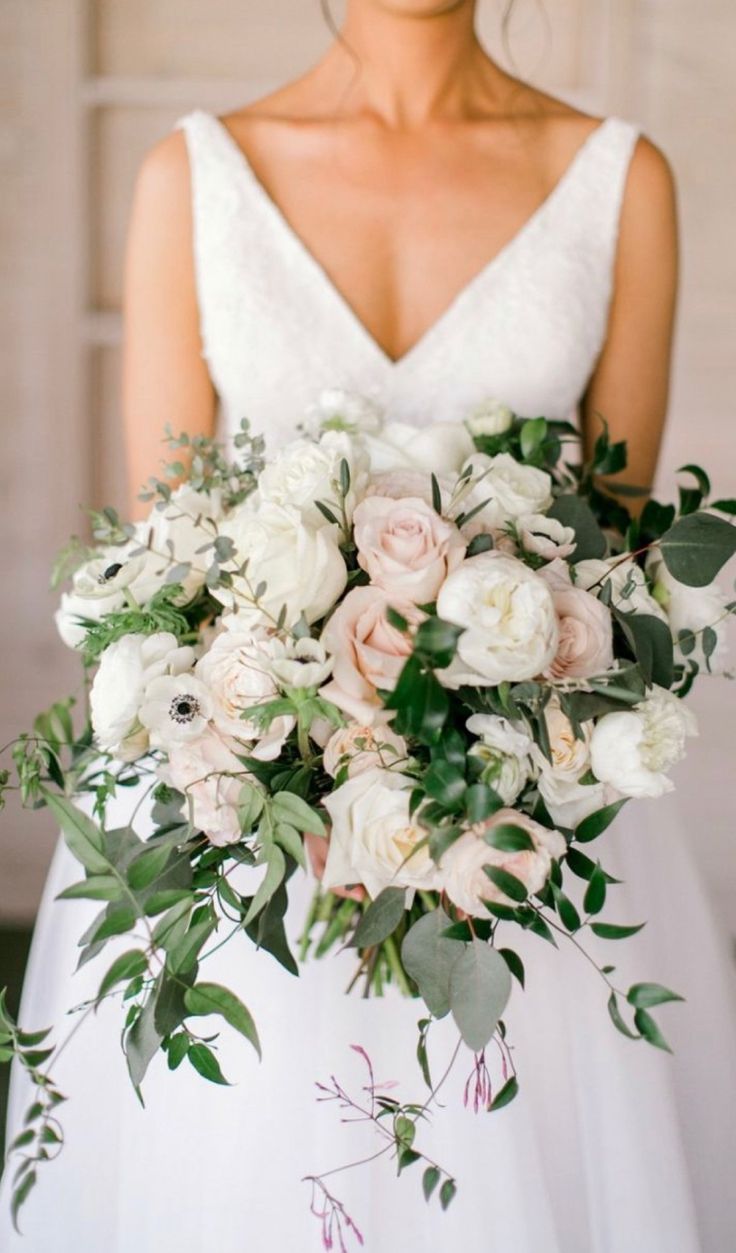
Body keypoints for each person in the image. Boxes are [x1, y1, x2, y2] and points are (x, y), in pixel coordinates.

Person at [2, 3, 735, 1250]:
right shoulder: (191, 176)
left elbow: (604, 579)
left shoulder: (620, 176)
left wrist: (468, 743)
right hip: (240, 820)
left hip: (517, 821)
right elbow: (160, 555)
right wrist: (285, 742)